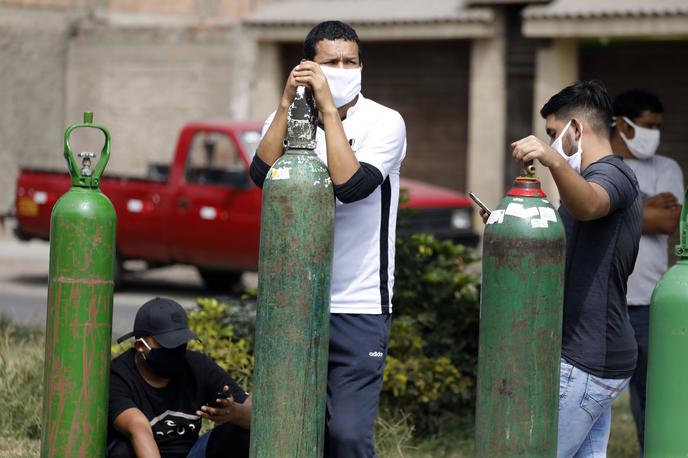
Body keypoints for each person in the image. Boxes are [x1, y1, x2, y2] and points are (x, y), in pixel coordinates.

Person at [249, 20, 406, 457]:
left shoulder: (385, 123)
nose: (341, 69)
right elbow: (262, 176)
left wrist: (329, 111)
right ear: (306, 66)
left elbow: (351, 186)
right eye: (330, 63)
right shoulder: (284, 119)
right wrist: (286, 103)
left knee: (348, 437)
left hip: (358, 306)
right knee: (291, 428)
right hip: (294, 302)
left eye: (350, 62)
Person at [501, 80, 642, 457]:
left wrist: (553, 160)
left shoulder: (613, 175)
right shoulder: (584, 181)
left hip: (587, 357)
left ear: (575, 129)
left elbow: (590, 205)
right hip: (593, 356)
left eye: (553, 134)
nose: (550, 143)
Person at [611, 89, 684, 451]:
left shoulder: (667, 167)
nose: (654, 133)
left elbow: (670, 220)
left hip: (648, 302)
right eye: (647, 125)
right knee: (589, 392)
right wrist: (643, 209)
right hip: (604, 299)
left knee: (652, 394)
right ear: (622, 125)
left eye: (658, 126)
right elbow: (583, 213)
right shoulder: (601, 163)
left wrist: (614, 210)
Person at [106, 297, 251, 458]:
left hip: (191, 453)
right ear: (140, 346)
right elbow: (138, 429)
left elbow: (256, 414)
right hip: (144, 452)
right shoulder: (119, 375)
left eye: (180, 343)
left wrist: (234, 412)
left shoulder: (197, 365)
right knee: (122, 451)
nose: (176, 351)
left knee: (242, 434)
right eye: (168, 345)